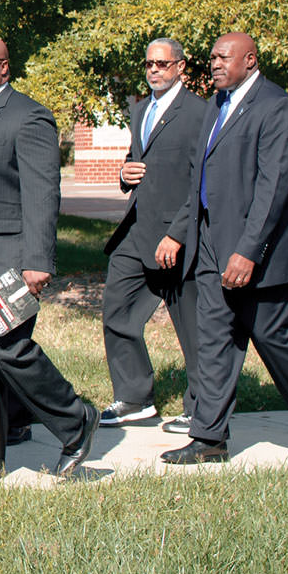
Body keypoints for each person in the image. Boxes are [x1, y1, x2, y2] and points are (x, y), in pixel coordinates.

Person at [162, 32, 288, 466]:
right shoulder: (217, 107)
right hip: (208, 246)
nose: (215, 63)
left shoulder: (276, 107)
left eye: (224, 57)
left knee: (273, 339)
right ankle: (209, 437)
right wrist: (180, 230)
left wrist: (248, 250)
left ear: (251, 60)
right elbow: (200, 180)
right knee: (213, 342)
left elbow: (274, 186)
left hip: (256, 255)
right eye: (212, 57)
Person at [0, 35, 100, 480]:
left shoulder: (29, 118)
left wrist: (38, 260)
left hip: (6, 260)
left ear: (3, 68)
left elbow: (43, 194)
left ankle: (75, 419)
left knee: (8, 349)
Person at [98, 38, 210, 430]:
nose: (154, 71)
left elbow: (203, 180)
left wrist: (179, 233)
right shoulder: (141, 109)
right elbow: (139, 158)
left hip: (178, 234)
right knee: (117, 310)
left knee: (193, 326)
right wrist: (126, 172)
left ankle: (203, 409)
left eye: (162, 64)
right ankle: (133, 399)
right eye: (148, 64)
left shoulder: (200, 112)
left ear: (181, 67)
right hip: (136, 229)